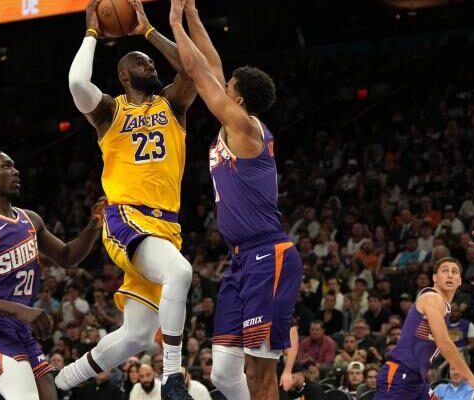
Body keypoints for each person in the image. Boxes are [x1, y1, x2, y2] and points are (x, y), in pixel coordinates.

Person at [55, 0, 198, 398]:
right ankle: (173, 377)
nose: (150, 64)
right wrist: (92, 32)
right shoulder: (108, 112)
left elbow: (191, 69)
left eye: (150, 62)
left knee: (136, 335)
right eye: (141, 62)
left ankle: (60, 382)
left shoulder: (172, 104)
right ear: (123, 75)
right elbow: (77, 84)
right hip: (126, 218)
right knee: (180, 273)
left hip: (166, 228)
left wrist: (148, 31)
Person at [169, 1, 303, 399]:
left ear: (239, 101)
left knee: (260, 373)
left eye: (228, 87)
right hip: (240, 259)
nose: (221, 85)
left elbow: (198, 71)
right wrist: (193, 13)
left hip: (268, 255)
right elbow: (211, 65)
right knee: (225, 374)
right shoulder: (235, 124)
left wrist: (174, 20)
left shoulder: (244, 128)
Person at [0, 150, 105, 400]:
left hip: (20, 326)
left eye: (14, 166)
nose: (15, 171)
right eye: (6, 166)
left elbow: (67, 256)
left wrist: (93, 227)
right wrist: (20, 310)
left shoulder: (30, 220)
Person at [375, 257, 474, 400]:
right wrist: (471, 378)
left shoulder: (445, 308)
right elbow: (444, 343)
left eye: (454, 272)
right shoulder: (432, 297)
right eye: (445, 271)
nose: (450, 275)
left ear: (459, 281)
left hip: (416, 380)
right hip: (400, 374)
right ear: (434, 278)